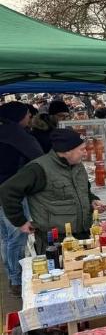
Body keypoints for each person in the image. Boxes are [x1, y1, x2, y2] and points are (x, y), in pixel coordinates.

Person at [0, 128, 106, 254]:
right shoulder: (38, 168)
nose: (85, 153)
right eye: (81, 149)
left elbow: (85, 192)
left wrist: (93, 201)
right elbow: (7, 191)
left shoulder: (77, 165)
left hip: (84, 237)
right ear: (66, 151)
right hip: (55, 241)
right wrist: (20, 222)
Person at [0, 102, 44, 297]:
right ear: (18, 116)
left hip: (4, 191)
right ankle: (16, 281)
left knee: (6, 237)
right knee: (18, 236)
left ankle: (12, 275)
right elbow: (38, 157)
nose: (29, 118)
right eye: (27, 115)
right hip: (11, 192)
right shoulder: (15, 133)